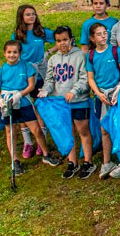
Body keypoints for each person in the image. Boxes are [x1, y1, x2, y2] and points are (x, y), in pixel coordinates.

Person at [0, 40, 60, 175]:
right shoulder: (0, 70)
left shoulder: (27, 67)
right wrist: (0, 99)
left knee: (36, 129)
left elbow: (31, 85)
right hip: (7, 103)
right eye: (9, 52)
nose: (12, 55)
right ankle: (15, 161)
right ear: (4, 54)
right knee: (10, 132)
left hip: (23, 102)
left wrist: (20, 94)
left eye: (15, 52)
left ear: (20, 53)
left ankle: (46, 154)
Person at [40, 26, 95, 179]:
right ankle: (72, 162)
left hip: (79, 100)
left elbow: (85, 78)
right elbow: (50, 80)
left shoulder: (80, 56)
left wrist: (74, 91)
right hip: (60, 103)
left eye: (65, 40)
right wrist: (45, 90)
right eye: (58, 41)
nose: (62, 43)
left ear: (71, 39)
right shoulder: (53, 59)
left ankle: (88, 162)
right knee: (67, 131)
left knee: (82, 131)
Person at [86, 22, 120, 179]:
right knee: (104, 129)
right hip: (101, 96)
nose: (103, 36)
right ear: (92, 38)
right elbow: (91, 78)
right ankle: (107, 161)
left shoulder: (115, 51)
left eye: (105, 33)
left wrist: (118, 88)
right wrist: (98, 93)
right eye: (99, 34)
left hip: (117, 94)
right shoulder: (91, 55)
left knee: (119, 126)